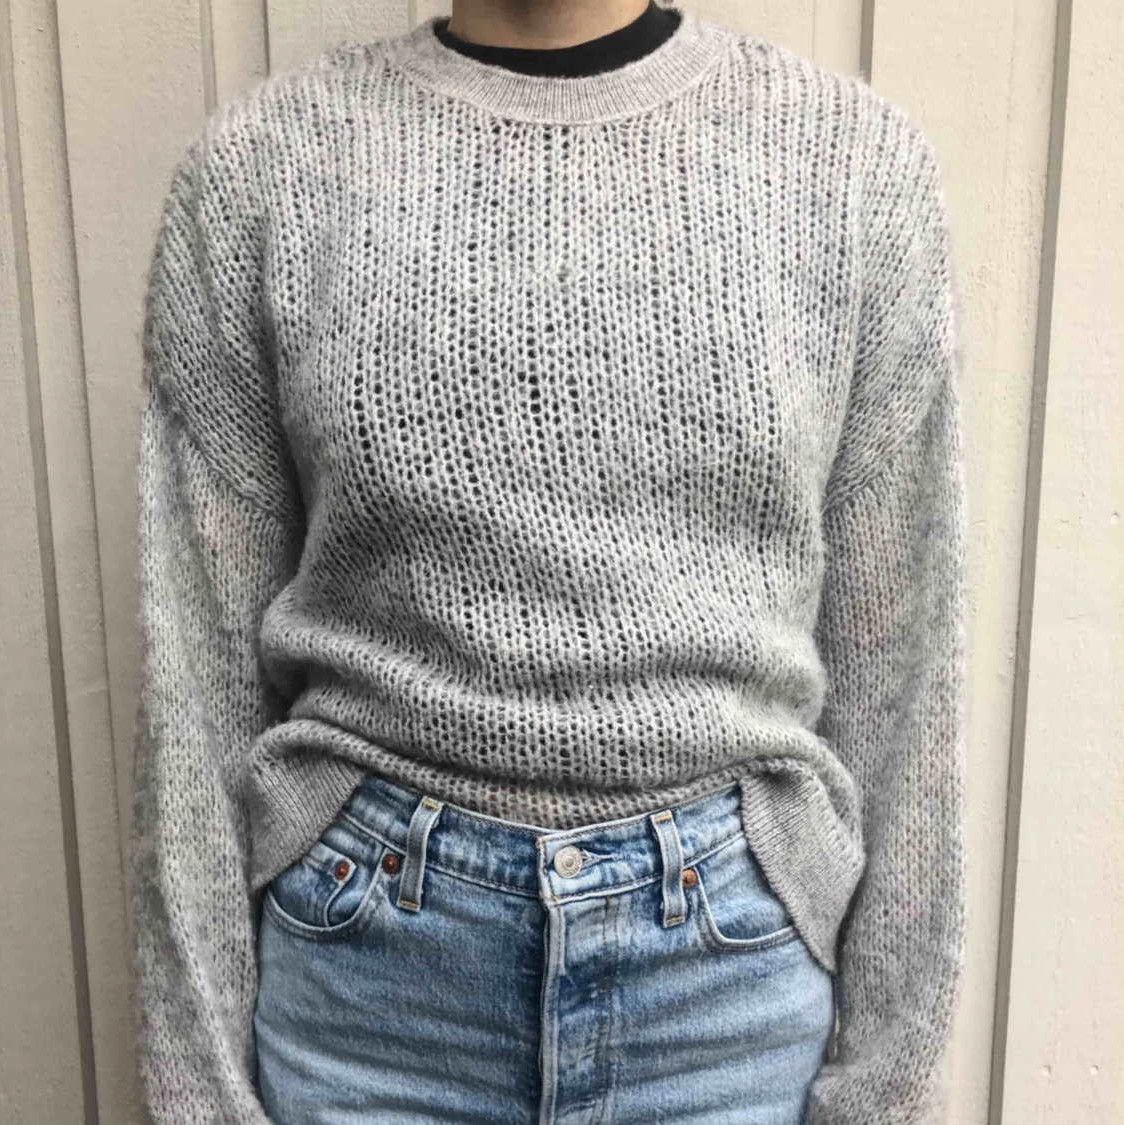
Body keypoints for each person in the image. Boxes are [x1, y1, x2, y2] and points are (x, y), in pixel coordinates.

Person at [127, 1, 969, 1122]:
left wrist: (889, 1094)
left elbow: (902, 677)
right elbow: (194, 692)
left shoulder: (853, 168)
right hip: (369, 1002)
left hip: (725, 1008)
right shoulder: (263, 173)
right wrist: (196, 1097)